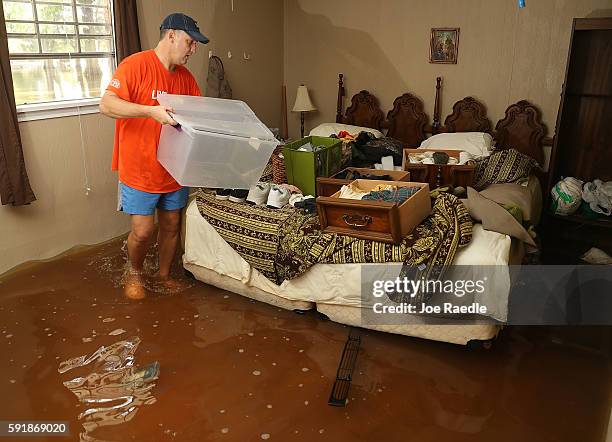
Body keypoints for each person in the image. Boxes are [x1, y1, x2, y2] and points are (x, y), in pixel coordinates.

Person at [100, 13, 209, 300]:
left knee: (172, 224)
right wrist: (150, 110)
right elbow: (107, 104)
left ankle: (163, 274)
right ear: (171, 36)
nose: (193, 49)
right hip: (139, 167)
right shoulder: (135, 65)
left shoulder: (186, 79)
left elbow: (196, 120)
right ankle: (134, 271)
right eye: (190, 42)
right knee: (144, 230)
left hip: (174, 168)